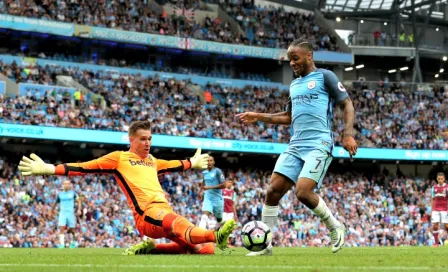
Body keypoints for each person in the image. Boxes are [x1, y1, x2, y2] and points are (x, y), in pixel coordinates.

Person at [18, 120, 236, 255]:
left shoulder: (152, 161)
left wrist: (192, 163)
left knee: (205, 251)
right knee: (182, 224)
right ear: (131, 140)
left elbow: (175, 164)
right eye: (143, 139)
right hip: (147, 216)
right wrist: (49, 168)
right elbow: (84, 167)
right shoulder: (119, 159)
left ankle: (152, 250)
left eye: (150, 139)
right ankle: (215, 235)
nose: (148, 143)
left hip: (163, 213)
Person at [236, 38, 357, 256]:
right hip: (296, 144)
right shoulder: (294, 85)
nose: (292, 63)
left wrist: (347, 134)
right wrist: (258, 116)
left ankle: (335, 226)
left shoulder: (325, 76)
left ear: (309, 56)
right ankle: (265, 246)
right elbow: (288, 117)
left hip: (319, 143)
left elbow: (346, 103)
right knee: (273, 191)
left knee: (302, 192)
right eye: (289, 60)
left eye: (295, 58)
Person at [50, 179, 81, 248]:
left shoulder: (73, 193)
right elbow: (55, 203)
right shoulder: (60, 194)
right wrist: (51, 211)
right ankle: (62, 244)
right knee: (61, 228)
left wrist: (79, 209)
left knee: (72, 229)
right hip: (62, 213)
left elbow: (79, 201)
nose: (66, 185)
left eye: (68, 184)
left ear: (70, 185)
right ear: (63, 185)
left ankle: (73, 243)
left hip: (70, 213)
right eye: (65, 184)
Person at [199, 156, 227, 229]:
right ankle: (200, 236)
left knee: (219, 220)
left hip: (217, 199)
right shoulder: (204, 172)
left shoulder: (217, 171)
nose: (209, 162)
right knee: (204, 217)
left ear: (214, 162)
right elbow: (204, 181)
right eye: (207, 161)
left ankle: (224, 225)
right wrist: (200, 191)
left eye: (211, 161)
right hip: (208, 198)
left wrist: (209, 187)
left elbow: (224, 185)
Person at [431, 172, 448, 247]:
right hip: (436, 209)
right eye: (439, 179)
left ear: (444, 179)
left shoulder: (447, 187)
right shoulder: (434, 188)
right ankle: (436, 243)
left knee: (446, 226)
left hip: (445, 209)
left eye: (441, 179)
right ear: (437, 179)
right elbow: (433, 199)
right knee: (435, 225)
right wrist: (432, 210)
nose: (440, 180)